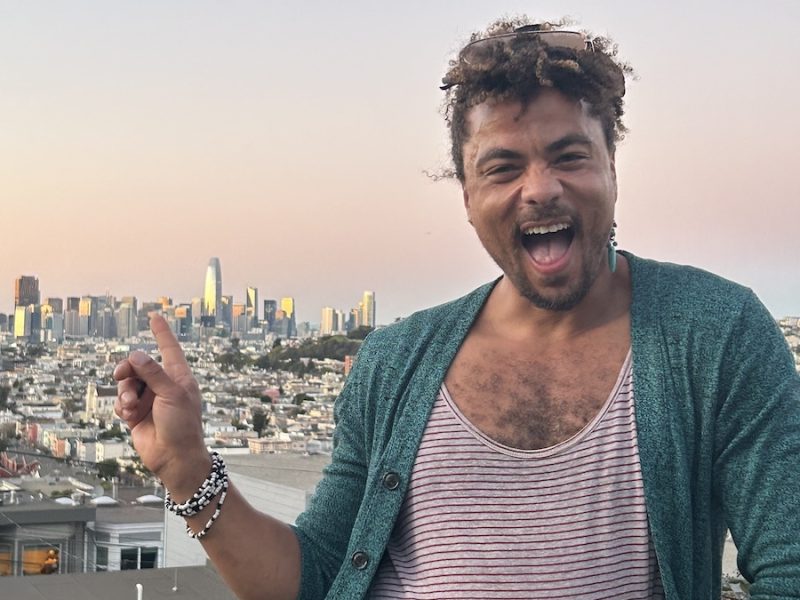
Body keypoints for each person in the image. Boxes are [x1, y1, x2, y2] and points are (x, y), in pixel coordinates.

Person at [114, 17, 800, 600]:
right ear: (468, 197)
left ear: (612, 170)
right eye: (503, 167)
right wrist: (186, 467)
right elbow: (317, 576)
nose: (540, 189)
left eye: (569, 156)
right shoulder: (395, 363)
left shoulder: (716, 334)